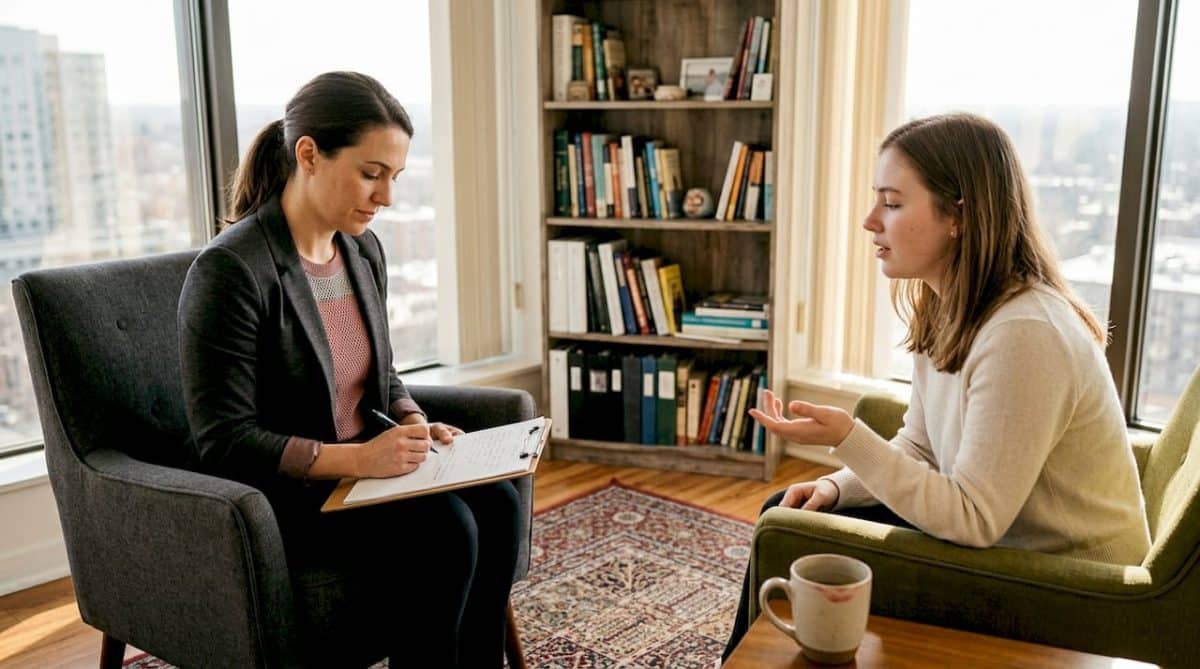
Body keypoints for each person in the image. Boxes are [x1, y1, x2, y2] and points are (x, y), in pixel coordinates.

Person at [722, 113, 1151, 659]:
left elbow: (973, 519)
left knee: (791, 537)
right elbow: (922, 447)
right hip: (1007, 543)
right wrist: (838, 486)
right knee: (788, 509)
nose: (869, 221)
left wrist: (849, 437)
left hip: (1069, 580)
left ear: (958, 217)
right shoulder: (948, 307)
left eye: (892, 203)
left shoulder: (1024, 333)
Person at [178, 71, 520, 668]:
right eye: (371, 173)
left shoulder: (361, 250)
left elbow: (380, 375)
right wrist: (360, 460)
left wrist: (413, 422)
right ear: (309, 154)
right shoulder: (232, 271)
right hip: (289, 495)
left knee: (500, 504)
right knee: (447, 531)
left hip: (368, 467)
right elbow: (225, 441)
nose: (386, 197)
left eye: (394, 177)